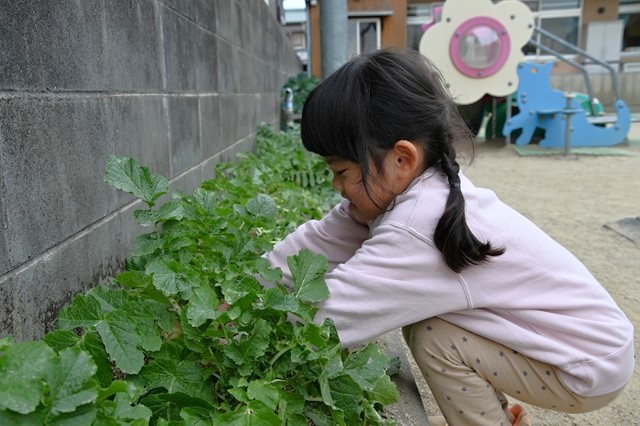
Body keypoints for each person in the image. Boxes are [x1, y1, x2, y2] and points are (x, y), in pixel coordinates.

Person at [264, 48, 634, 425]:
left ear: (402, 159)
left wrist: (250, 326)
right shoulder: (413, 189)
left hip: (586, 364)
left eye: (342, 171)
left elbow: (331, 317)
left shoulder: (419, 225)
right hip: (584, 344)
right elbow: (314, 245)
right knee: (436, 325)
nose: (336, 185)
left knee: (434, 337)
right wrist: (251, 283)